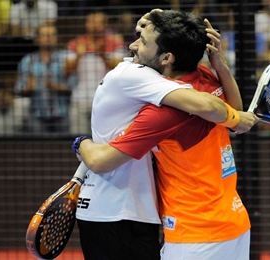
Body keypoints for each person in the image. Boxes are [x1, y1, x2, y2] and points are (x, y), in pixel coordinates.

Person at [71, 9, 258, 260]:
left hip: (195, 235)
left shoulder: (164, 112)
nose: (132, 45)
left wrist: (81, 142)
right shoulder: (206, 78)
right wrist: (221, 66)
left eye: (144, 41)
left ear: (167, 57)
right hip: (235, 223)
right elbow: (236, 115)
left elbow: (101, 161)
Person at [66, 11, 126, 134]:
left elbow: (120, 70)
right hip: (80, 98)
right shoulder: (76, 43)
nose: (94, 26)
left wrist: (103, 55)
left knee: (105, 138)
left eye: (98, 23)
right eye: (91, 22)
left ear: (105, 25)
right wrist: (78, 55)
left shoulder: (115, 43)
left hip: (107, 99)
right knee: (78, 137)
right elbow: (66, 72)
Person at [15, 24, 76, 134]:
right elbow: (19, 88)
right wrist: (28, 88)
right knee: (39, 149)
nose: (48, 38)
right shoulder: (28, 61)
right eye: (45, 35)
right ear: (37, 38)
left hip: (61, 113)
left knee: (63, 147)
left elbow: (74, 85)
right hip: (37, 113)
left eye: (52, 35)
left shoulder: (66, 58)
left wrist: (56, 86)